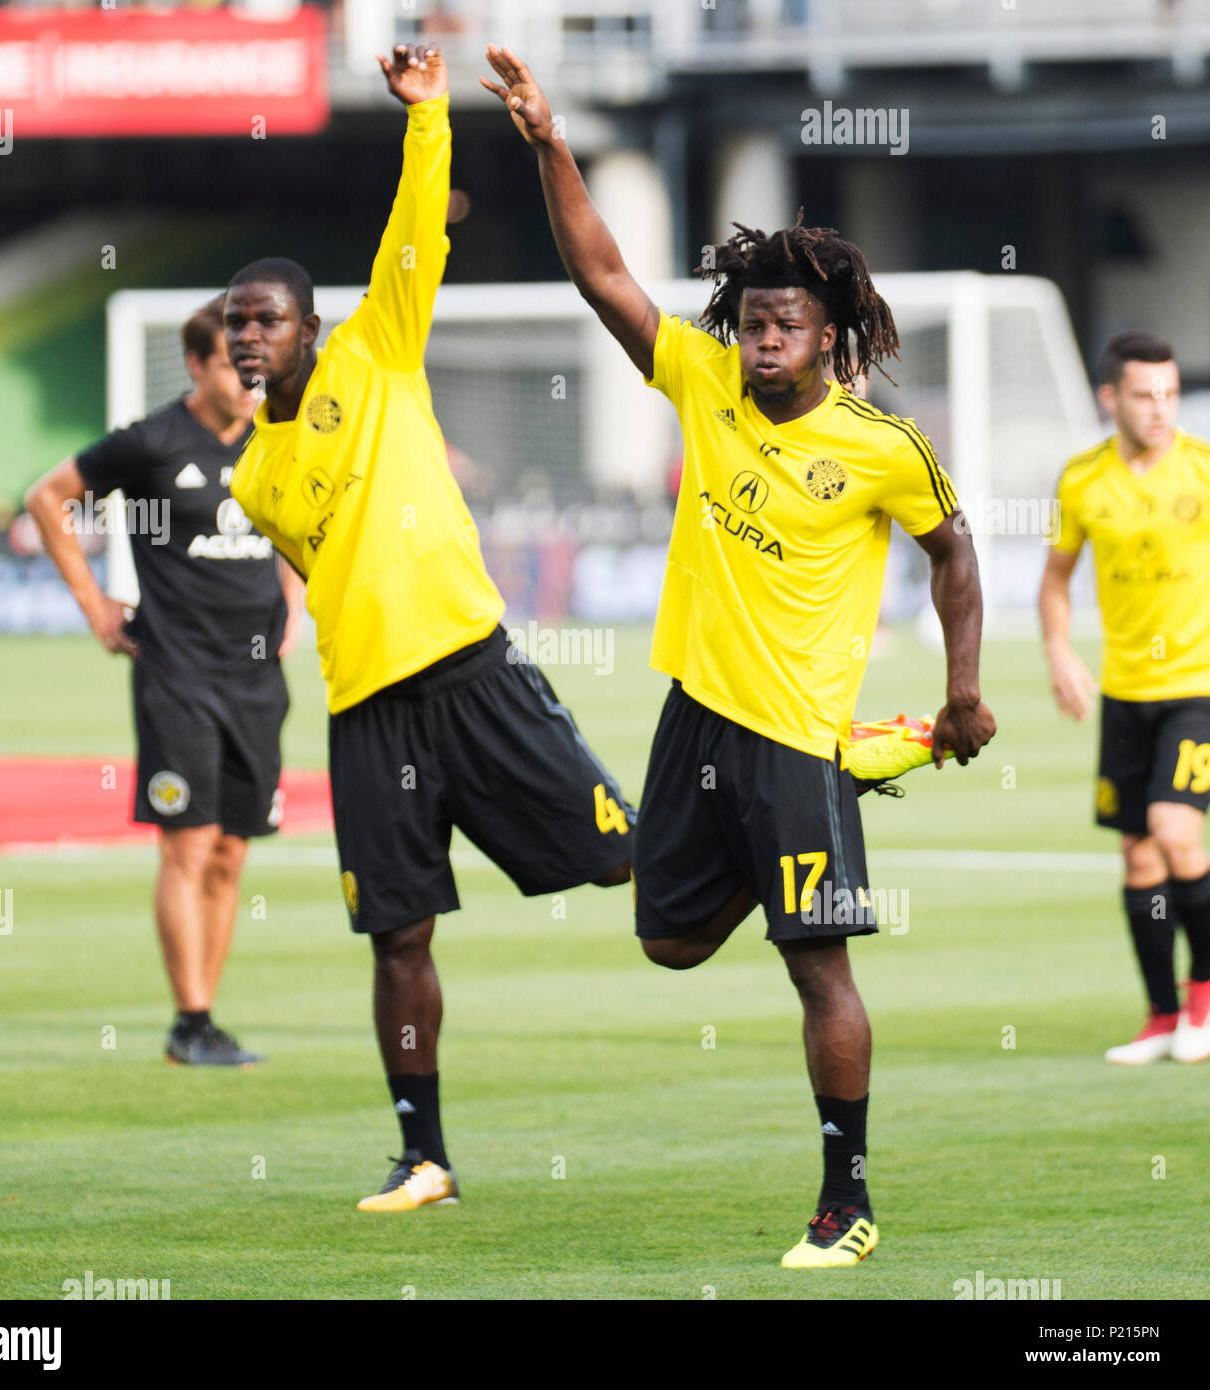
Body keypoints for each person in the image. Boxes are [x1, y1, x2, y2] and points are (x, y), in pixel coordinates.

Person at [483, 44, 995, 1269]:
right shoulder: (702, 379)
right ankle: (869, 765)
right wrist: (550, 140)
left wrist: (962, 690)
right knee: (666, 940)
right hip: (696, 714)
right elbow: (604, 274)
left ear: (830, 336)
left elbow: (957, 555)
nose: (765, 335)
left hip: (790, 731)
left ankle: (846, 1199)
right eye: (754, 318)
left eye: (788, 322)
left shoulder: (880, 446)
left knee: (813, 966)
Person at [225, 43, 635, 1212]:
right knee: (395, 936)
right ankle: (424, 1155)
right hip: (367, 714)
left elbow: (415, 227)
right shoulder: (255, 478)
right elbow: (320, 569)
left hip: (472, 672)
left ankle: (766, 814)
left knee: (620, 860)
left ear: (310, 327)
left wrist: (425, 116)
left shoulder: (378, 346)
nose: (250, 336)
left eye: (268, 319)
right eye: (236, 324)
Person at [25, 296, 302, 1066]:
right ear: (194, 365)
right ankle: (191, 1019)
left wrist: (295, 605)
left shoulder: (277, 438)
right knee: (189, 844)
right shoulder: (151, 444)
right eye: (231, 363)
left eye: (255, 364)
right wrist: (93, 604)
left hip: (257, 682)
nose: (249, 378)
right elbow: (47, 498)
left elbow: (304, 523)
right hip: (176, 674)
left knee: (230, 854)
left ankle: (205, 1023)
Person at [1040, 330, 1210, 1066]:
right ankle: (1160, 1017)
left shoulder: (1203, 471)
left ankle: (1204, 998)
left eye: (1170, 392)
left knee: (1176, 833)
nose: (1161, 407)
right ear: (1110, 398)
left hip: (1197, 689)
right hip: (1125, 693)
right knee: (1139, 859)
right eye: (1145, 394)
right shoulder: (1082, 480)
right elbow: (1055, 580)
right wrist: (1058, 651)